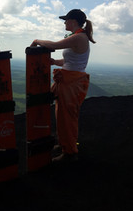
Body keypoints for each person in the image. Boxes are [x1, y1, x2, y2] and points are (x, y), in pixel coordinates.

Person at [30, 9, 95, 163]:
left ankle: (70, 152)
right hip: (68, 80)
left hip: (71, 83)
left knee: (67, 118)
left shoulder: (78, 37)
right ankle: (65, 144)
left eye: (66, 20)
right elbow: (70, 62)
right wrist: (54, 62)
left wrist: (37, 40)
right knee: (62, 115)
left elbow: (54, 45)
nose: (64, 22)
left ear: (73, 21)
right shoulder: (77, 37)